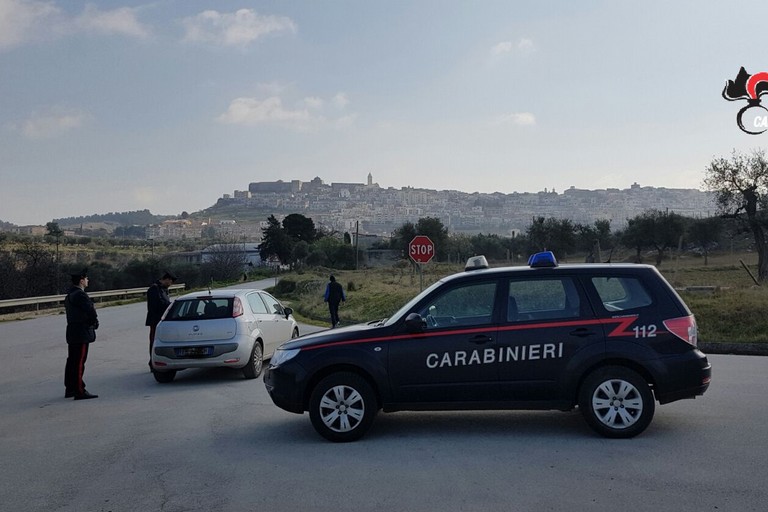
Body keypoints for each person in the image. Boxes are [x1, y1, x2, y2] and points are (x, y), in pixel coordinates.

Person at [64, 268, 99, 400]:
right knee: (79, 362)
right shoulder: (80, 294)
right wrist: (94, 322)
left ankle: (70, 388)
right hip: (81, 331)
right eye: (86, 278)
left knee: (72, 361)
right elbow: (90, 310)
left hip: (72, 331)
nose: (88, 280)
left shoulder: (70, 294)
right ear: (81, 280)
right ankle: (79, 390)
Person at [145, 270, 177, 367]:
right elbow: (157, 305)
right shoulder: (154, 289)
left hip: (162, 320)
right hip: (155, 320)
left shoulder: (162, 289)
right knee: (154, 341)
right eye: (170, 282)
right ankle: (153, 362)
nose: (170, 284)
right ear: (166, 279)